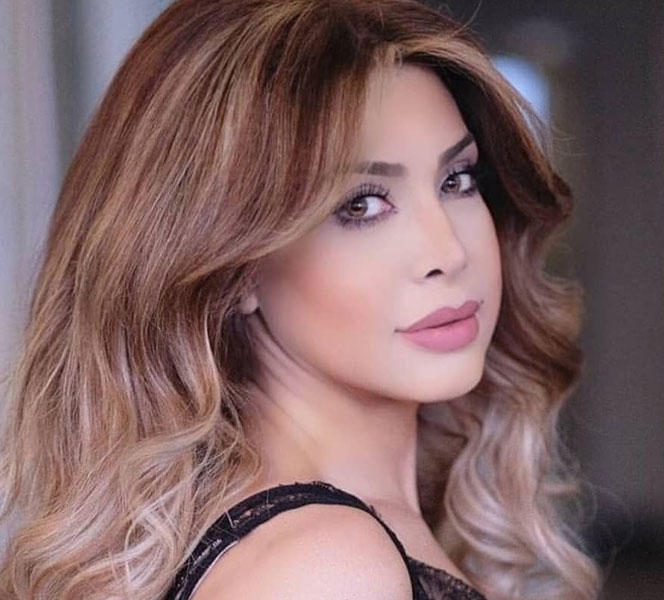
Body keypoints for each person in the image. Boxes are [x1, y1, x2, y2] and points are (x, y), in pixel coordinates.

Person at [0, 1, 602, 598]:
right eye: (361, 204)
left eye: (457, 180)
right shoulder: (328, 570)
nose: (449, 251)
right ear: (238, 269)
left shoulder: (343, 538)